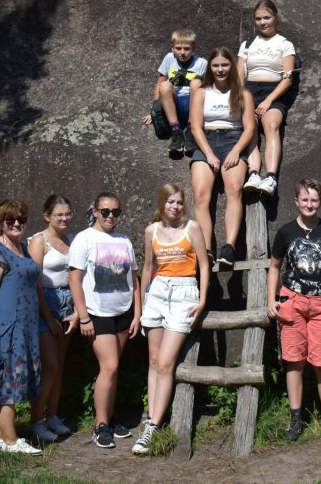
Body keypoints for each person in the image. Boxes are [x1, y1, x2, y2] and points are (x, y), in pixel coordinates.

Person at [267, 179, 321, 441]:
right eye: (305, 200)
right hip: (293, 301)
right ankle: (295, 419)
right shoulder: (286, 232)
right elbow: (274, 266)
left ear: (320, 202)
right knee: (294, 362)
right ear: (296, 201)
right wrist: (272, 299)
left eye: (314, 200)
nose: (309, 204)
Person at [136, 184, 210, 455]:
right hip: (156, 294)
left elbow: (203, 263)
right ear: (162, 203)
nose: (175, 207)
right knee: (154, 361)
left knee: (166, 362)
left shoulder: (192, 228)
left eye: (179, 202)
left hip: (183, 293)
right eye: (170, 202)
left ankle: (153, 425)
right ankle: (152, 418)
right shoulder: (151, 231)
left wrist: (201, 299)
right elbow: (147, 267)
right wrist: (144, 301)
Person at [68, 192, 141, 449]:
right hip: (97, 314)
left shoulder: (124, 240)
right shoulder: (84, 239)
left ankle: (109, 419)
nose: (111, 216)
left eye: (116, 212)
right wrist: (84, 317)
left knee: (113, 368)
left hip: (123, 312)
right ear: (95, 211)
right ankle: (100, 426)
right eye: (106, 211)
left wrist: (137, 314)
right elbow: (74, 279)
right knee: (108, 366)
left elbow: (134, 280)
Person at [0, 199, 43, 455]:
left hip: (26, 327)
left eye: (21, 219)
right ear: (0, 222)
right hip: (8, 328)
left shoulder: (22, 248)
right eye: (10, 220)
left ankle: (1, 438)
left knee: (7, 381)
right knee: (7, 383)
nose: (16, 224)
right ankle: (12, 441)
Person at [189, 47, 257, 269]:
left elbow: (249, 128)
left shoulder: (243, 94)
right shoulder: (201, 92)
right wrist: (208, 153)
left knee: (235, 189)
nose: (220, 69)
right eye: (216, 65)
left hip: (233, 139)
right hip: (207, 140)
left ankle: (229, 246)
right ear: (210, 67)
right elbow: (195, 127)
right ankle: (207, 249)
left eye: (225, 65)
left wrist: (236, 151)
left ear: (231, 67)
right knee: (200, 195)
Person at [28, 194, 77, 442]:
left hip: (67, 304)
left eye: (67, 213)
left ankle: (52, 416)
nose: (64, 218)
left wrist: (77, 311)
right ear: (47, 216)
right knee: (50, 366)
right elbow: (35, 281)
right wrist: (48, 317)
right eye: (59, 214)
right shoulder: (39, 241)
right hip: (45, 304)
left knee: (59, 367)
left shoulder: (70, 240)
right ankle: (35, 420)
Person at [237, 0, 298, 196]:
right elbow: (239, 76)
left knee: (272, 126)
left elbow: (287, 79)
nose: (263, 22)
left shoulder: (285, 45)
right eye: (258, 19)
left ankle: (271, 177)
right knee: (250, 128)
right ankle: (254, 173)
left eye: (267, 18)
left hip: (274, 90)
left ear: (275, 18)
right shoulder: (247, 45)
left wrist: (268, 100)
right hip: (250, 89)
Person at [141, 29, 208, 158]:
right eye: (178, 48)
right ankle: (176, 131)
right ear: (172, 48)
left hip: (193, 105)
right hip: (173, 104)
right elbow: (160, 82)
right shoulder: (169, 58)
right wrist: (155, 110)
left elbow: (207, 89)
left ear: (193, 48)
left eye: (187, 48)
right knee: (165, 85)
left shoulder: (202, 63)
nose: (182, 52)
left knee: (196, 83)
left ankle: (191, 130)